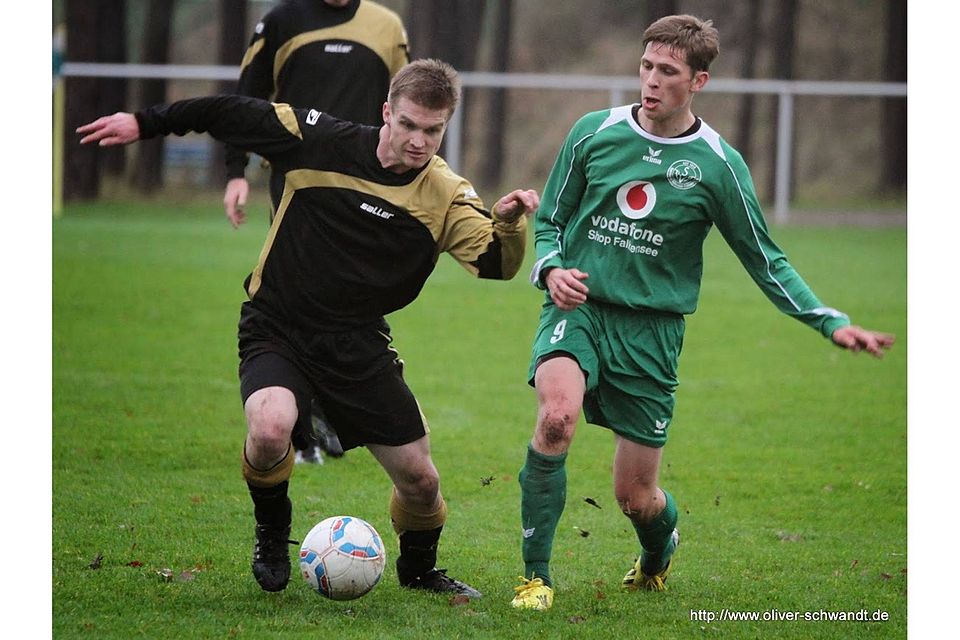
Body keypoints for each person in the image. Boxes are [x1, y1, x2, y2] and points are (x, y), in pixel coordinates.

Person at [78, 58, 540, 597]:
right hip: (279, 323)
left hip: (356, 342)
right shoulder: (316, 138)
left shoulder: (444, 193)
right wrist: (147, 122)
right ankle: (273, 530)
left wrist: (508, 222)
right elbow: (230, 110)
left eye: (433, 130)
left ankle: (418, 572)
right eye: (408, 124)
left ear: (447, 126)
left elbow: (496, 265)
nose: (418, 141)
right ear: (387, 111)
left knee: (421, 481)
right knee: (270, 426)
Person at [509, 14, 895, 611]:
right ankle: (536, 579)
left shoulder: (719, 165)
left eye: (668, 71)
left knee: (636, 497)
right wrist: (551, 269)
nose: (652, 80)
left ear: (700, 81)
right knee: (557, 418)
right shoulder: (593, 133)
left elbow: (765, 259)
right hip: (580, 308)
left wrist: (830, 320)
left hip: (653, 332)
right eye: (646, 66)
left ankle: (658, 552)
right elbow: (553, 221)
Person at [224, 0, 411, 464]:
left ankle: (332, 403)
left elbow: (411, 104)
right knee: (300, 289)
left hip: (365, 188)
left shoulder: (387, 26)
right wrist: (235, 169)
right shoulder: (282, 21)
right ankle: (300, 417)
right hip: (297, 178)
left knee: (353, 292)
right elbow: (246, 99)